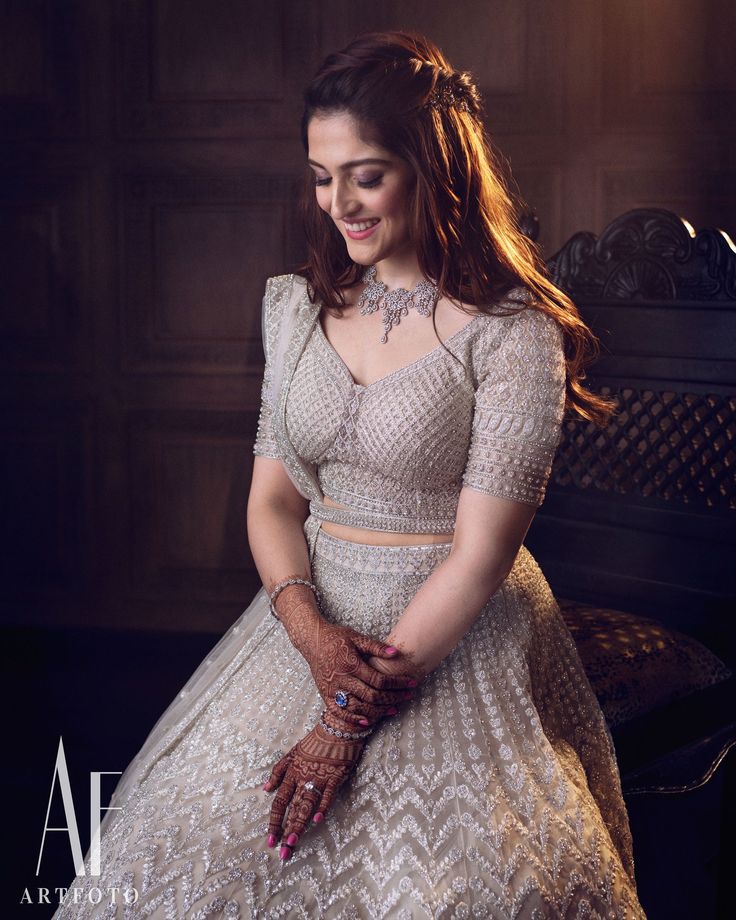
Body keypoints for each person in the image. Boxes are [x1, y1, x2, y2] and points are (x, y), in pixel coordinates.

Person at [54, 30, 647, 919]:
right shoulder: (296, 309)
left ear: (435, 167)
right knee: (181, 848)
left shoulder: (514, 332)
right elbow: (272, 500)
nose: (338, 203)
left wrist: (342, 719)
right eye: (321, 175)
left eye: (364, 174)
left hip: (450, 625)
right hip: (311, 612)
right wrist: (308, 631)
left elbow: (481, 558)